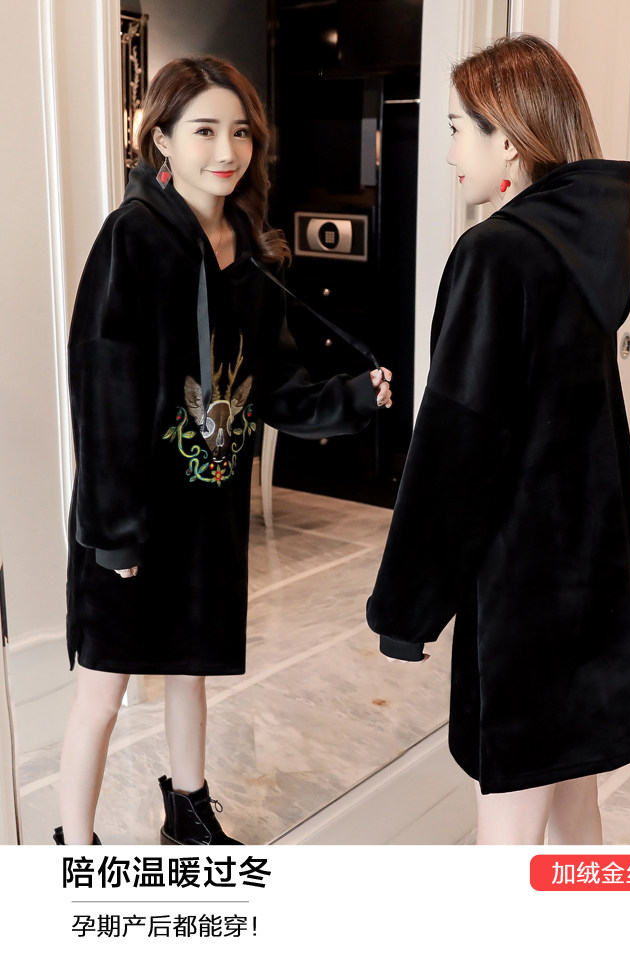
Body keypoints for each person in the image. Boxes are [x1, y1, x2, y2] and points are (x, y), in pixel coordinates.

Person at [57, 55, 392, 846]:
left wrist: (352, 397)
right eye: (204, 130)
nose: (226, 150)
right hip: (133, 515)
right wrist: (114, 535)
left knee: (190, 668)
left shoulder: (249, 250)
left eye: (239, 132)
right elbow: (102, 390)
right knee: (103, 691)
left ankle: (190, 813)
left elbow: (277, 387)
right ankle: (73, 845)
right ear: (162, 141)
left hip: (208, 511)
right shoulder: (132, 238)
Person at [366, 34, 630, 845]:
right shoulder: (589, 249)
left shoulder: (495, 253)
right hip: (593, 576)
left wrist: (407, 608)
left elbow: (457, 445)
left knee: (510, 835)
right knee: (576, 808)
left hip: (525, 589)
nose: (449, 152)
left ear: (508, 139)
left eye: (458, 129)